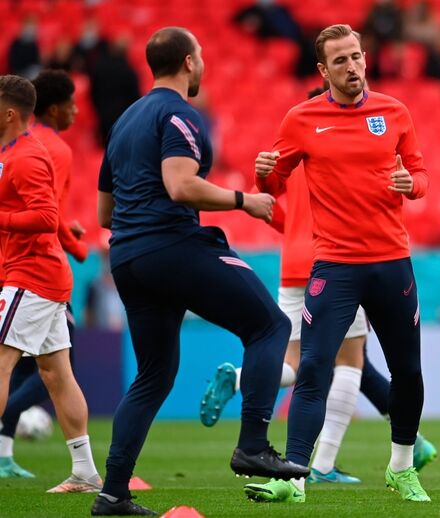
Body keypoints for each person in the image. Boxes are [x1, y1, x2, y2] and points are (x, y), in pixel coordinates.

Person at [91, 27, 308, 517]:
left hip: (126, 255)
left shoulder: (124, 121)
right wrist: (245, 201)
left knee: (153, 375)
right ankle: (253, 443)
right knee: (270, 325)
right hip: (170, 245)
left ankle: (112, 494)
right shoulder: (180, 113)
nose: (204, 64)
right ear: (189, 62)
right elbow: (180, 185)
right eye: (203, 55)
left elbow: (105, 212)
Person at [203, 84, 436, 492]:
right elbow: (272, 186)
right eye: (340, 60)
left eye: (355, 57)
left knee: (406, 370)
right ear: (324, 71)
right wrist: (261, 171)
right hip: (331, 264)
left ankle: (401, 468)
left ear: (363, 58)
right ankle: (298, 476)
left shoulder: (393, 111)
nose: (351, 67)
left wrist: (411, 184)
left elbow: (420, 175)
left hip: (389, 261)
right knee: (320, 366)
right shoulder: (301, 122)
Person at [0, 74, 101, 493]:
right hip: (37, 275)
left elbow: (43, 215)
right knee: (56, 374)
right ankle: (85, 472)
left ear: (8, 113)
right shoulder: (12, 152)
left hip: (32, 275)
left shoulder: (27, 157)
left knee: (2, 360)